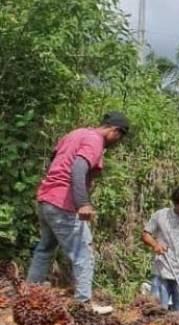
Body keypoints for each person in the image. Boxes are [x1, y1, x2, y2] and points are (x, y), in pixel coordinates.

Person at [27, 111, 130, 313]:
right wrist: (82, 202)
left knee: (45, 248)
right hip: (62, 203)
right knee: (84, 252)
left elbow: (55, 158)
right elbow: (78, 168)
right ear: (115, 131)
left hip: (46, 198)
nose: (117, 142)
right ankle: (83, 304)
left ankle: (30, 294)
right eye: (119, 137)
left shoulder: (76, 133)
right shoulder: (95, 140)